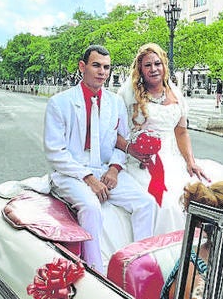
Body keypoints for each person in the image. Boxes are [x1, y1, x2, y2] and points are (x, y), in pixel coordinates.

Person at [43, 45, 156, 273]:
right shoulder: (59, 103)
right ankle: (96, 272)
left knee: (146, 203)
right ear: (82, 67)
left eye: (106, 67)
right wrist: (87, 177)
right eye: (96, 65)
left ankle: (139, 267)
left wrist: (114, 168)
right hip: (70, 173)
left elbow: (119, 141)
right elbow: (55, 151)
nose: (102, 72)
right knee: (91, 207)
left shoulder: (115, 103)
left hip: (104, 169)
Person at [118, 43, 208, 236]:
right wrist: (131, 149)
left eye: (157, 63)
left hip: (172, 160)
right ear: (140, 70)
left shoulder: (176, 94)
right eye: (147, 65)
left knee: (198, 197)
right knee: (166, 205)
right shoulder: (129, 95)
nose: (153, 69)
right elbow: (114, 132)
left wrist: (190, 161)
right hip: (143, 163)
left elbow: (182, 132)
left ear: (164, 65)